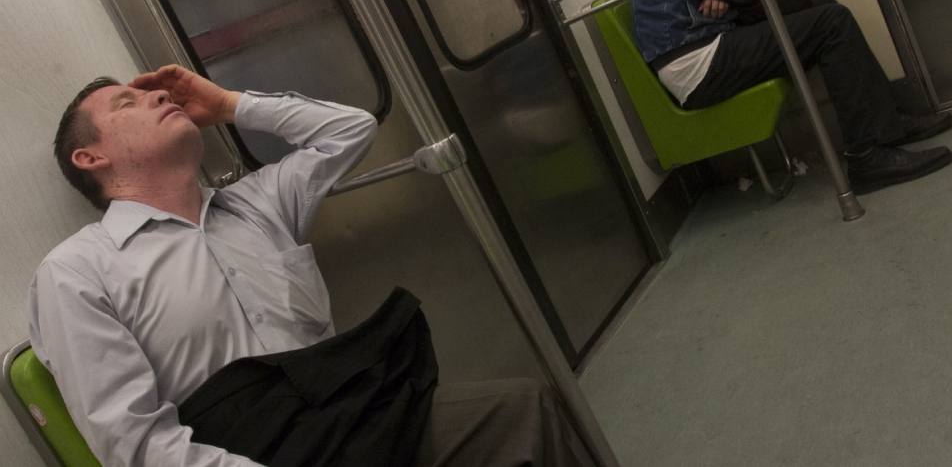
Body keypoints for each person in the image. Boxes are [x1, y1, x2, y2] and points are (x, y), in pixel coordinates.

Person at [30, 65, 593, 467]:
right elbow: (134, 445)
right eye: (127, 103)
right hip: (249, 448)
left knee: (526, 409)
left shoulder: (257, 202)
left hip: (351, 414)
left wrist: (229, 105)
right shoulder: (78, 272)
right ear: (91, 158)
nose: (155, 97)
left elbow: (350, 129)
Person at [632, 0, 952, 194]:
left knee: (825, 3)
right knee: (831, 21)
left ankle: (887, 126)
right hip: (697, 66)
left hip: (711, 51)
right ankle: (866, 158)